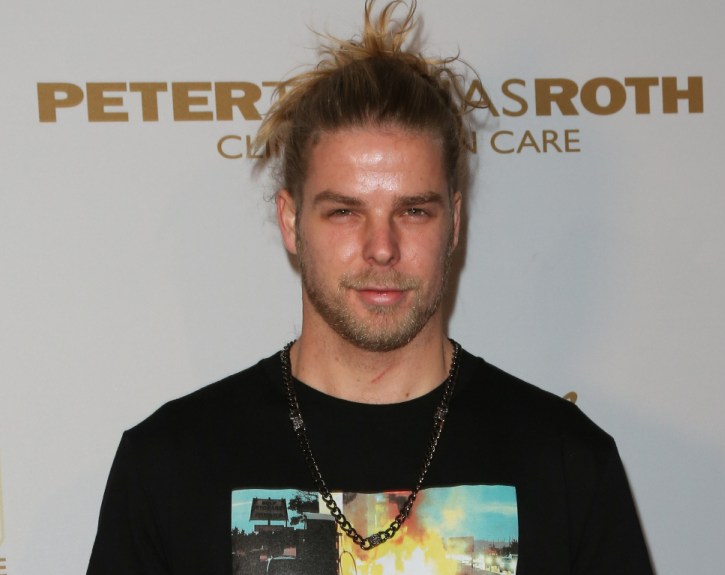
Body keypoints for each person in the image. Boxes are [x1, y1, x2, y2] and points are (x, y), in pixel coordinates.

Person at [86, 2, 654, 573]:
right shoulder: (169, 465)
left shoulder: (565, 461)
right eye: (344, 212)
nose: (381, 247)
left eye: (412, 210)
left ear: (454, 221)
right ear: (290, 222)